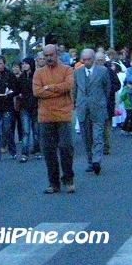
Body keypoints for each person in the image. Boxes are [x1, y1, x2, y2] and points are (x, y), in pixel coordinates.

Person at [33, 44, 76, 194]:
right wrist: (57, 89)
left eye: (51, 55)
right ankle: (54, 183)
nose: (48, 58)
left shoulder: (67, 69)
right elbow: (37, 92)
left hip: (63, 115)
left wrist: (49, 88)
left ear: (57, 55)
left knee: (65, 147)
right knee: (48, 151)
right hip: (45, 117)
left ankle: (68, 179)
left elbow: (68, 85)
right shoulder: (38, 73)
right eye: (46, 56)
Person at [73, 49, 110, 175]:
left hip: (98, 107)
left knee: (98, 136)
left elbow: (107, 89)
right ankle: (90, 161)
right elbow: (75, 90)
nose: (87, 62)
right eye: (84, 60)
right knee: (86, 137)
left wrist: (101, 102)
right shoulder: (77, 72)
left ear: (93, 59)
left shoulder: (103, 71)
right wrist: (76, 105)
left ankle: (97, 161)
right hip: (83, 108)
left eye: (89, 59)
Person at [94, 52, 121, 155]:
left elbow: (117, 85)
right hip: (95, 103)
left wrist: (108, 90)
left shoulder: (110, 72)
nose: (99, 62)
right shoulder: (92, 72)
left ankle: (107, 146)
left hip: (107, 103)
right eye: (97, 60)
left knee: (106, 126)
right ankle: (97, 145)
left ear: (104, 61)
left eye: (101, 60)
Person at [17, 57, 41, 162]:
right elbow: (18, 90)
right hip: (24, 107)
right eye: (23, 64)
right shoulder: (21, 77)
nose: (23, 66)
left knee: (36, 131)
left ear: (30, 64)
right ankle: (24, 153)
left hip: (35, 106)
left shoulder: (37, 76)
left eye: (26, 64)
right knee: (26, 131)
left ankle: (37, 151)